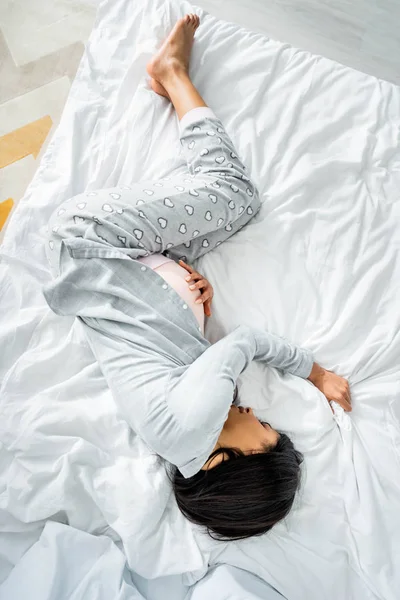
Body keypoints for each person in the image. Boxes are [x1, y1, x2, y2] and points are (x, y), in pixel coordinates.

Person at [43, 14, 351, 541]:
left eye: (267, 438)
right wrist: (192, 307)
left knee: (233, 191)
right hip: (133, 268)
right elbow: (156, 346)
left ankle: (172, 73)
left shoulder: (195, 424)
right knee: (240, 210)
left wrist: (316, 373)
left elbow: (247, 343)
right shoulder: (178, 438)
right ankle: (171, 86)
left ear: (218, 464)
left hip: (91, 241)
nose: (262, 418)